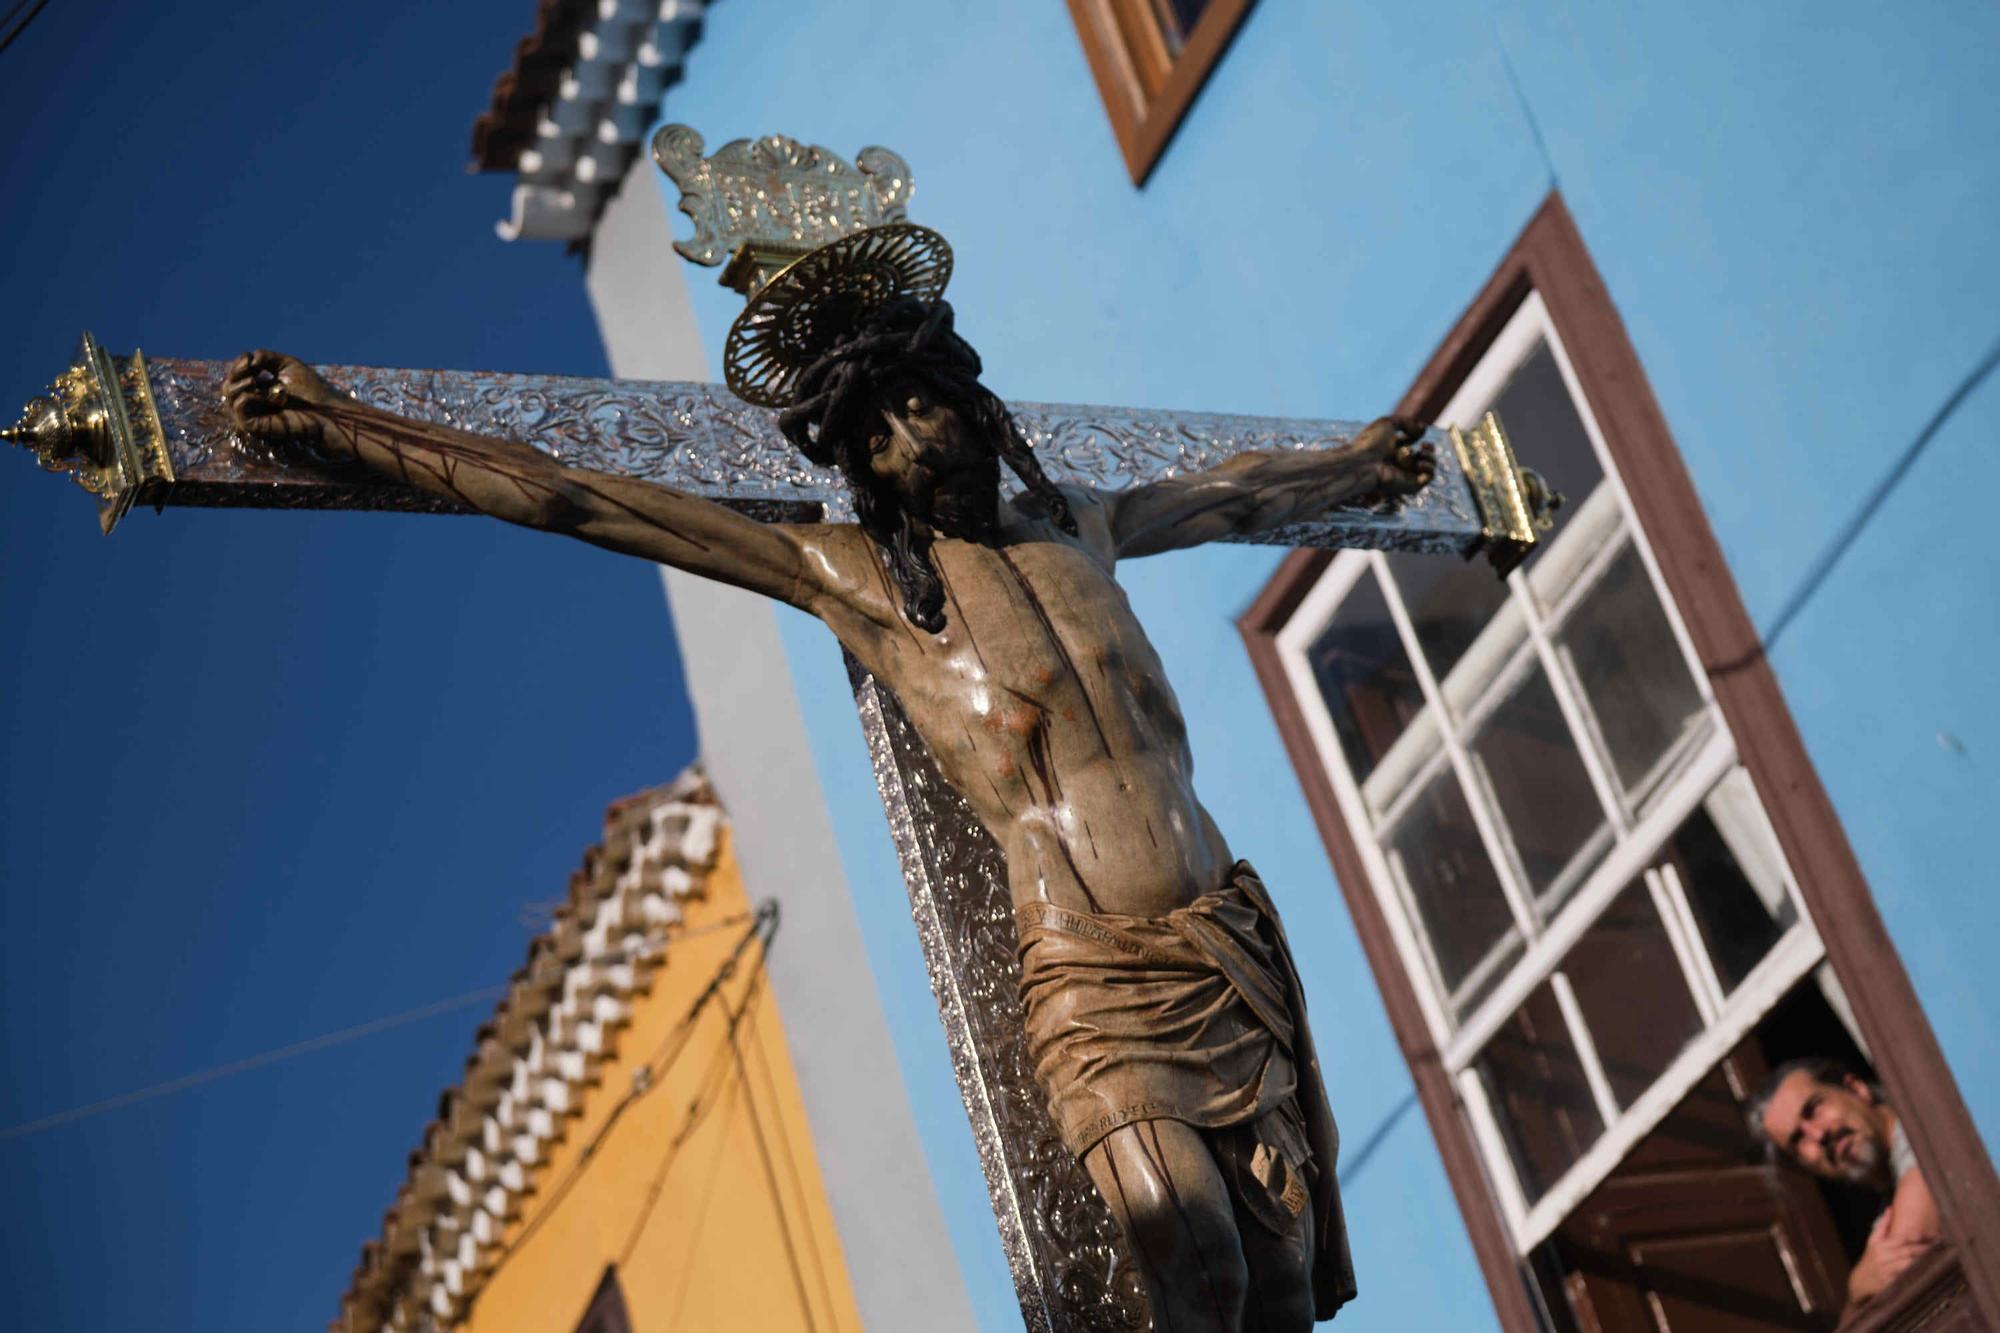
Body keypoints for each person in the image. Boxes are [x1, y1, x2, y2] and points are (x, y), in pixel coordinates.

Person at [222, 292, 1433, 1331]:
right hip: (1095, 975)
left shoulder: (1080, 527)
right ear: (859, 468)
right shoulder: (853, 583)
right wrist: (349, 426)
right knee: (1195, 1254)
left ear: (975, 405)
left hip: (1225, 951)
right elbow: (578, 499)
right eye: (883, 431)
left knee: (1276, 1283)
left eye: (928, 404)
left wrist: (1362, 469)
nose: (919, 440)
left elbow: (1234, 494)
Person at [1749, 1057, 1940, 1309]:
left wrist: (1857, 1287)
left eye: (1814, 1109)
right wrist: (1858, 1291)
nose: (1818, 1135)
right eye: (1798, 1139)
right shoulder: (1889, 1204)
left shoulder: (1925, 1131)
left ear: (1856, 1089)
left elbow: (1905, 1253)